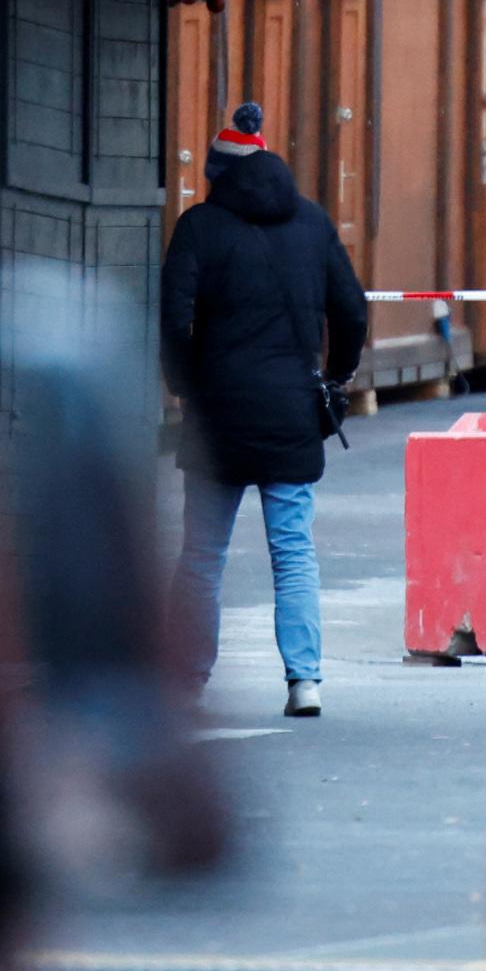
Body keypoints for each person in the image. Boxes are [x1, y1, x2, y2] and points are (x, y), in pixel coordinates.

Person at [159, 102, 369, 718]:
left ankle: (186, 682)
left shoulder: (199, 228)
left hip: (218, 411)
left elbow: (174, 317)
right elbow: (352, 309)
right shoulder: (311, 223)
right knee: (294, 550)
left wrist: (184, 384)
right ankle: (304, 680)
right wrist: (338, 377)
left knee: (201, 554)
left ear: (219, 172)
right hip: (290, 410)